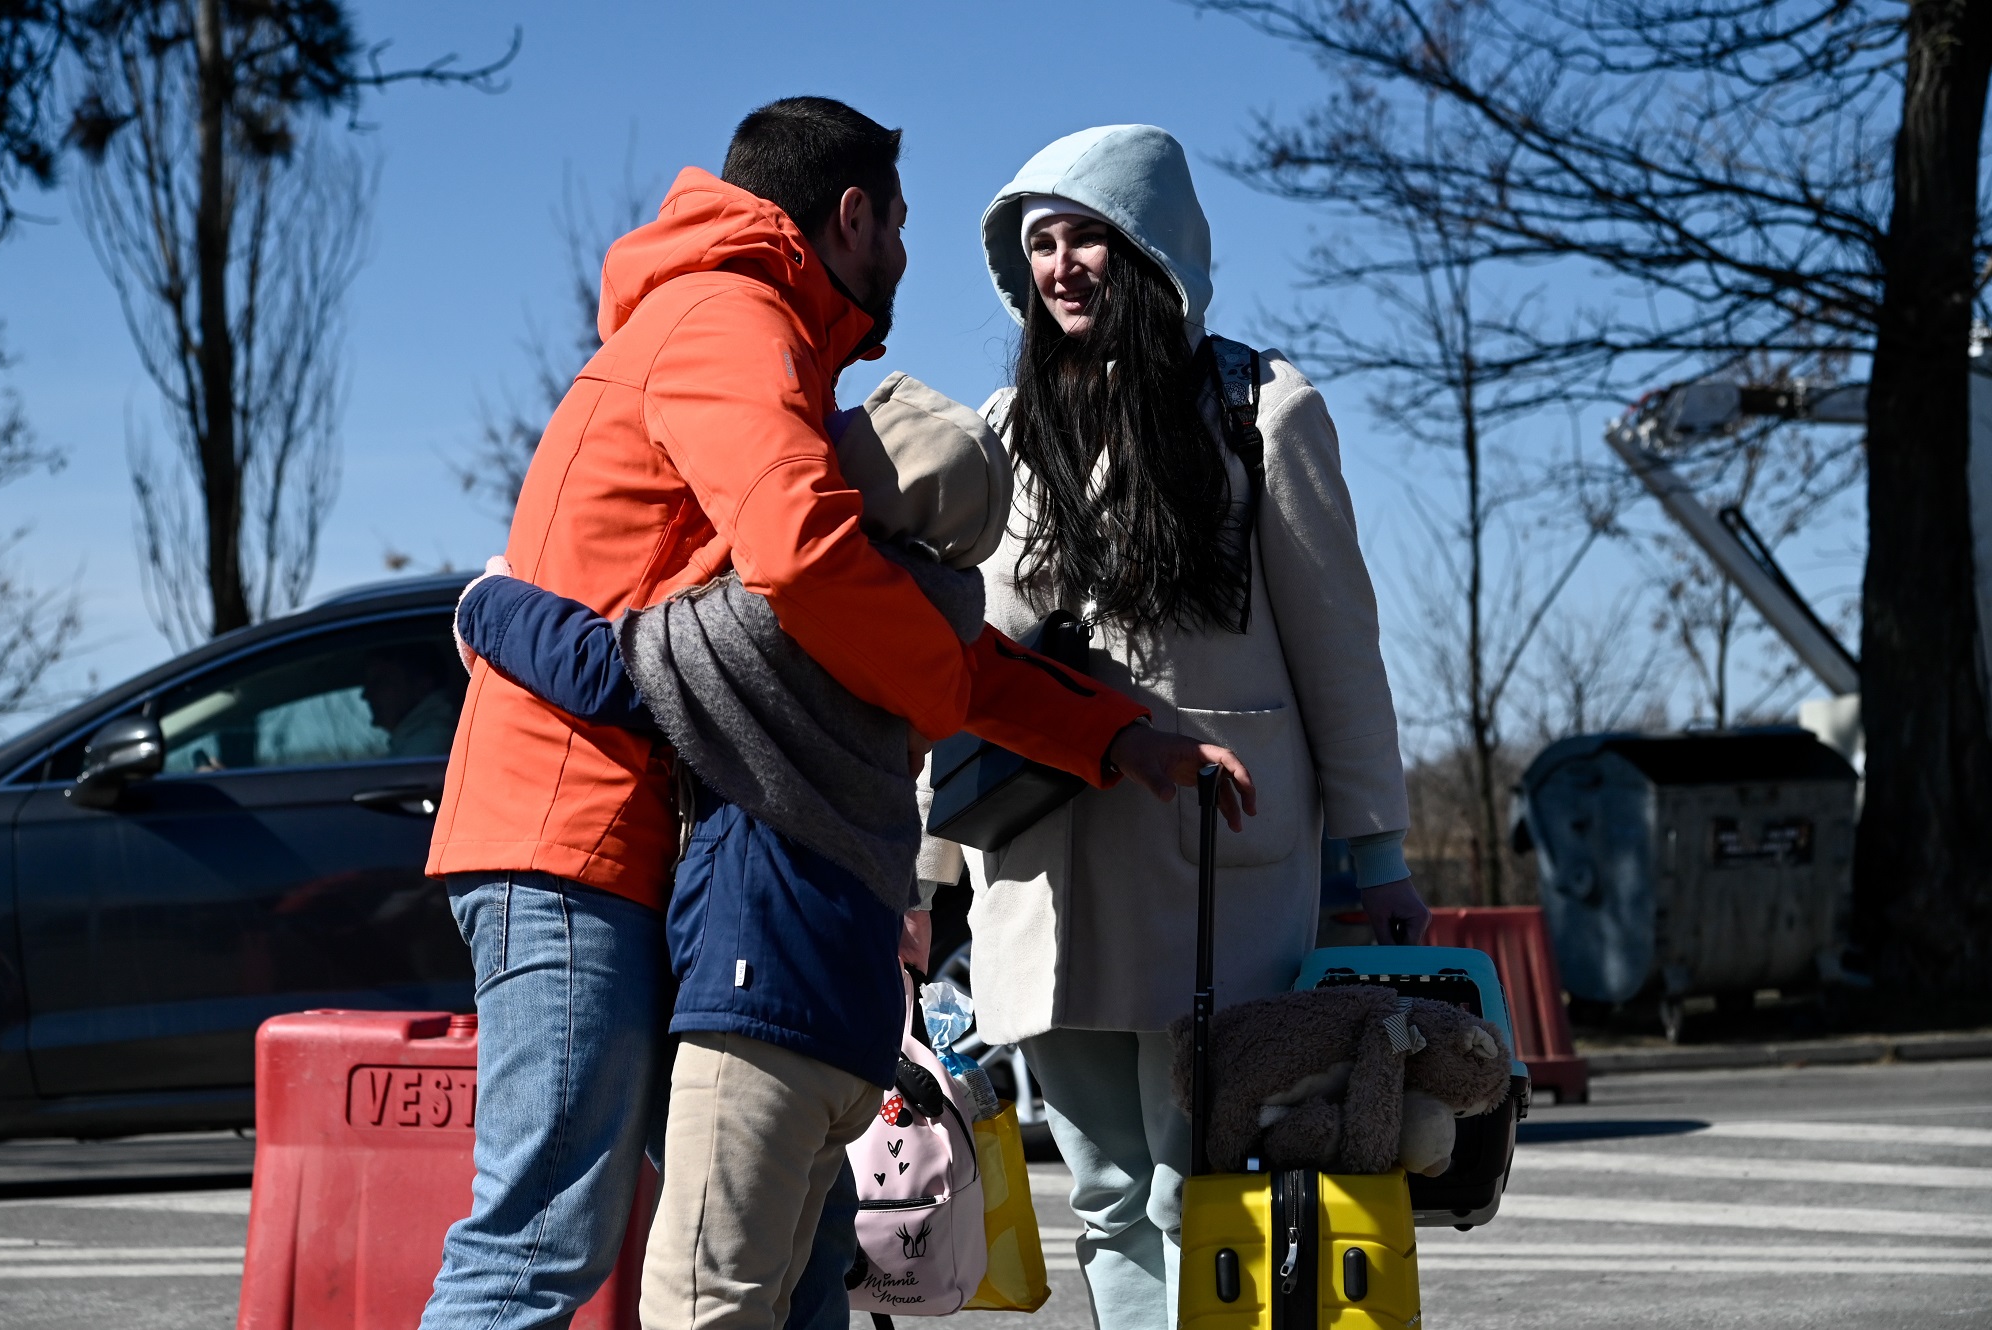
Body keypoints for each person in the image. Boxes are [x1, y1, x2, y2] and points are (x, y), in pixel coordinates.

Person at [419, 100, 1246, 1330]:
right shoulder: (729, 317)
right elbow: (806, 569)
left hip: (658, 833)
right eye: (900, 224)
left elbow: (892, 632)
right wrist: (937, 683)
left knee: (796, 1247)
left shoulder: (766, 342)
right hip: (568, 832)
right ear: (851, 216)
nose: (909, 257)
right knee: (549, 1231)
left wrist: (1114, 735)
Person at [922, 124, 1432, 1330]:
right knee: (1099, 1187)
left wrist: (1379, 852)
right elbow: (951, 664)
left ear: (1153, 248)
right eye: (1038, 244)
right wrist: (924, 868)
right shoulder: (998, 430)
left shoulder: (1262, 410)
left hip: (1210, 856)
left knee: (1193, 1173)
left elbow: (1338, 649)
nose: (1060, 267)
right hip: (1040, 864)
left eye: (1085, 234)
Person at [363, 642, 462, 758]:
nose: (366, 695)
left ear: (422, 685)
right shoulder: (413, 743)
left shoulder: (428, 746)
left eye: (380, 682)